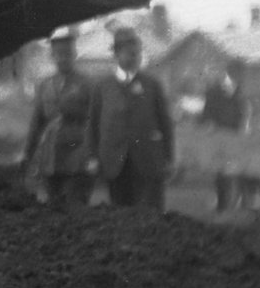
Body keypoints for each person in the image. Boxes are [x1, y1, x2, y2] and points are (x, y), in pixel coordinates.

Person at [84, 25, 174, 210]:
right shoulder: (102, 86)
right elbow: (92, 125)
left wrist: (168, 159)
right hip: (114, 164)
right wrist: (92, 157)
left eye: (137, 53)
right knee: (120, 216)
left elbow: (165, 124)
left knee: (150, 215)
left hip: (148, 163)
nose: (135, 58)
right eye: (130, 53)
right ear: (116, 54)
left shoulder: (152, 85)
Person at [23, 27, 96, 207]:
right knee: (51, 207)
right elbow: (37, 123)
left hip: (77, 153)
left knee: (75, 205)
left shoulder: (88, 84)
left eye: (67, 54)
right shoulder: (45, 85)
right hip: (50, 156)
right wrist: (28, 154)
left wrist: (92, 155)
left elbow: (95, 121)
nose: (63, 58)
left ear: (75, 55)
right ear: (52, 56)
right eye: (59, 54)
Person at [199, 62, 260, 213]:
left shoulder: (241, 92)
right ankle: (222, 208)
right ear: (231, 73)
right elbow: (205, 116)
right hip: (221, 139)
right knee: (222, 177)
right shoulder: (214, 91)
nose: (241, 77)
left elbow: (245, 114)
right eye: (239, 73)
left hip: (240, 139)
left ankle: (246, 206)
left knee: (245, 174)